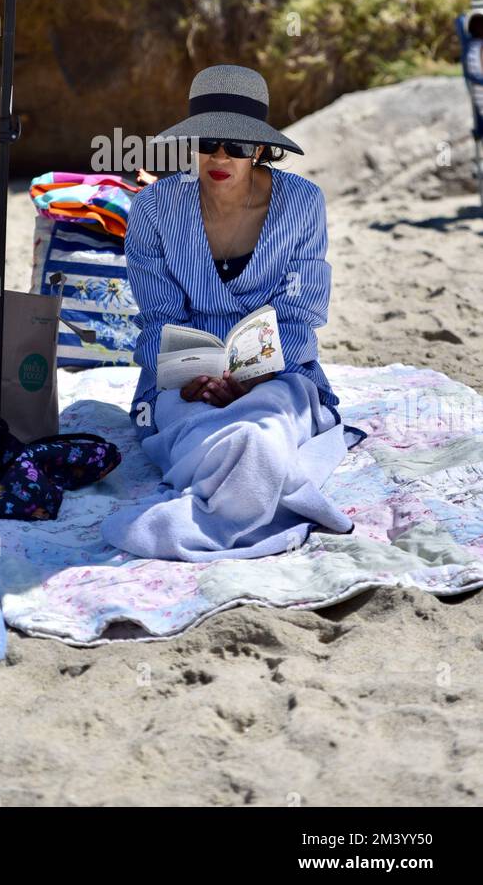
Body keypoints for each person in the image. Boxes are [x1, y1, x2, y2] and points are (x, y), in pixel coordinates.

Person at [100, 64, 363, 562]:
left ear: (261, 149)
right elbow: (158, 319)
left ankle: (229, 496)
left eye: (238, 145)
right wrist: (191, 374)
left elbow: (300, 311)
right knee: (195, 422)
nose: (221, 156)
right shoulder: (154, 209)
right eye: (209, 142)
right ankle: (255, 491)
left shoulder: (303, 203)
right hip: (185, 377)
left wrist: (250, 376)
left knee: (267, 421)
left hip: (279, 370)